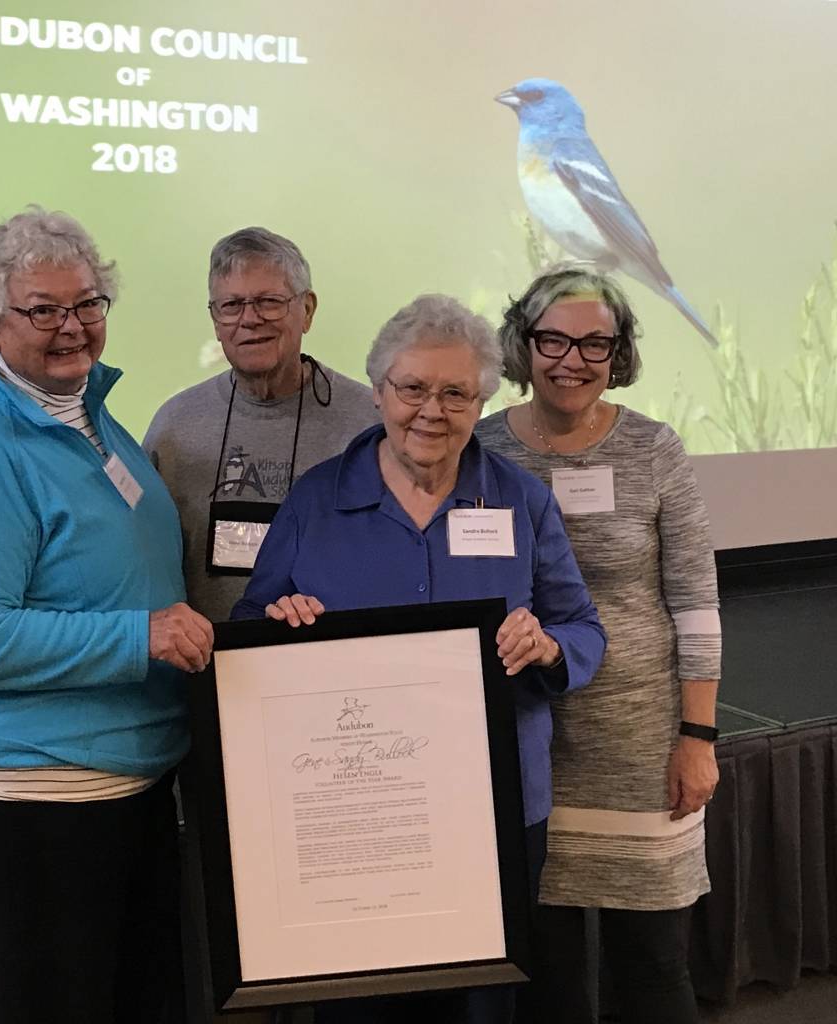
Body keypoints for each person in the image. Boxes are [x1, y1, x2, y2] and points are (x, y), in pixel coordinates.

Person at [233, 293, 607, 1023]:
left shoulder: (520, 500)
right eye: (412, 390)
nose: (431, 411)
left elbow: (582, 628)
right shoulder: (316, 500)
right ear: (378, 392)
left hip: (492, 801)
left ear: (480, 403)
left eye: (456, 393)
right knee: (362, 998)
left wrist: (548, 646)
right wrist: (281, 621)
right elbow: (253, 621)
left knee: (483, 998)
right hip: (353, 807)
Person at [0, 207, 213, 1024]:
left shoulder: (86, 417)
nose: (73, 326)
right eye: (44, 309)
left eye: (89, 302)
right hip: (28, 785)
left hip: (114, 775)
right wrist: (139, 635)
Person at [475, 267, 721, 1024]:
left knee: (651, 963)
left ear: (619, 354)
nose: (572, 359)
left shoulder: (654, 448)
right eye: (553, 338)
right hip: (523, 744)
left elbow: (695, 601)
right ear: (523, 342)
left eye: (595, 343)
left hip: (638, 745)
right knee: (543, 970)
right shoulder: (479, 448)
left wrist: (697, 736)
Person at [143, 226, 378, 623]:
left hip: (333, 661)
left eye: (269, 302)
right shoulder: (174, 427)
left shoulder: (367, 421)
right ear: (215, 321)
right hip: (204, 664)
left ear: (307, 310)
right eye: (231, 305)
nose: (249, 320)